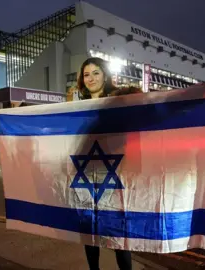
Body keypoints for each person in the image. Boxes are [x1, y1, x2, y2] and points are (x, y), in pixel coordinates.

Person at [77, 57, 142, 270]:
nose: (91, 78)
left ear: (105, 74)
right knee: (89, 232)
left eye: (96, 72)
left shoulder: (117, 101)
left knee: (118, 235)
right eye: (87, 74)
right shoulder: (78, 106)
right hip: (86, 175)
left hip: (113, 173)